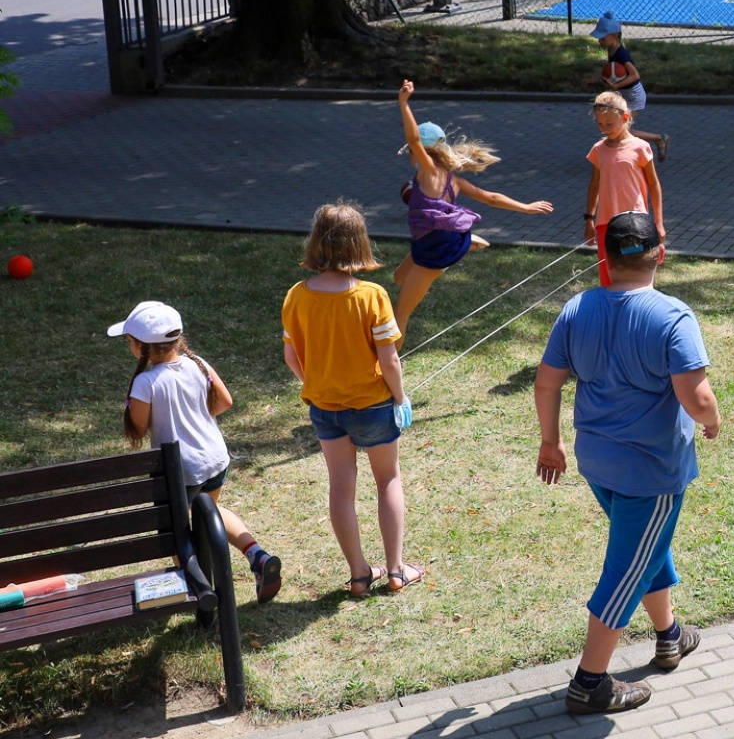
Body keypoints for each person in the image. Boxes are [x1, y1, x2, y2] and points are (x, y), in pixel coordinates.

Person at [534, 212, 722, 714]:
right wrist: (712, 418)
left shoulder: (577, 308)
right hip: (651, 471)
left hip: (598, 462)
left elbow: (547, 382)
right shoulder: (673, 316)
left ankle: (669, 636)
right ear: (659, 253)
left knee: (644, 548)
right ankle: (589, 683)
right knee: (625, 570)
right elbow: (695, 397)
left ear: (606, 257)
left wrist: (550, 442)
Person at [282, 202, 424, 597]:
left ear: (316, 242)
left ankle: (359, 574)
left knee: (340, 488)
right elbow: (389, 357)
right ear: (359, 242)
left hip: (324, 409)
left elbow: (291, 356)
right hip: (375, 406)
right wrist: (400, 397)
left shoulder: (297, 295)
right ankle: (396, 571)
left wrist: (316, 383)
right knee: (388, 479)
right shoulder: (372, 296)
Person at [110, 300, 281, 603]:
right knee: (209, 512)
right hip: (214, 460)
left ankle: (199, 593)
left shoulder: (145, 382)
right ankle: (257, 555)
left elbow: (137, 429)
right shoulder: (197, 364)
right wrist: (196, 416)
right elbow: (224, 402)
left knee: (177, 532)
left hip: (180, 471)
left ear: (140, 346)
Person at [394, 80, 554, 339]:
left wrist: (403, 103)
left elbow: (413, 139)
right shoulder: (453, 180)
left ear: (425, 151)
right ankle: (465, 239)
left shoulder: (430, 170)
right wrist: (525, 207)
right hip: (428, 239)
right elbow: (490, 197)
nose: (410, 156)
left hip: (436, 249)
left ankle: (387, 372)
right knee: (399, 278)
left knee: (399, 313)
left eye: (413, 152)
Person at [585, 91, 666, 288]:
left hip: (637, 224)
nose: (604, 129)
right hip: (606, 224)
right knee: (608, 277)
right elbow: (594, 185)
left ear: (625, 117)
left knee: (639, 273)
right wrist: (589, 220)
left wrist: (659, 222)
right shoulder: (598, 149)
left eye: (609, 124)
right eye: (599, 124)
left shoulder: (640, 147)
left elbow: (654, 185)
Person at [590, 11, 667, 161]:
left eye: (602, 38)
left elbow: (635, 75)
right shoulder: (612, 50)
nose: (600, 41)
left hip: (634, 95)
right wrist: (593, 80)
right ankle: (621, 154)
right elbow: (611, 72)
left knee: (621, 128)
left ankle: (659, 138)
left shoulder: (621, 54)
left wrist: (616, 86)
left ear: (615, 36)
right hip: (626, 94)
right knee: (619, 128)